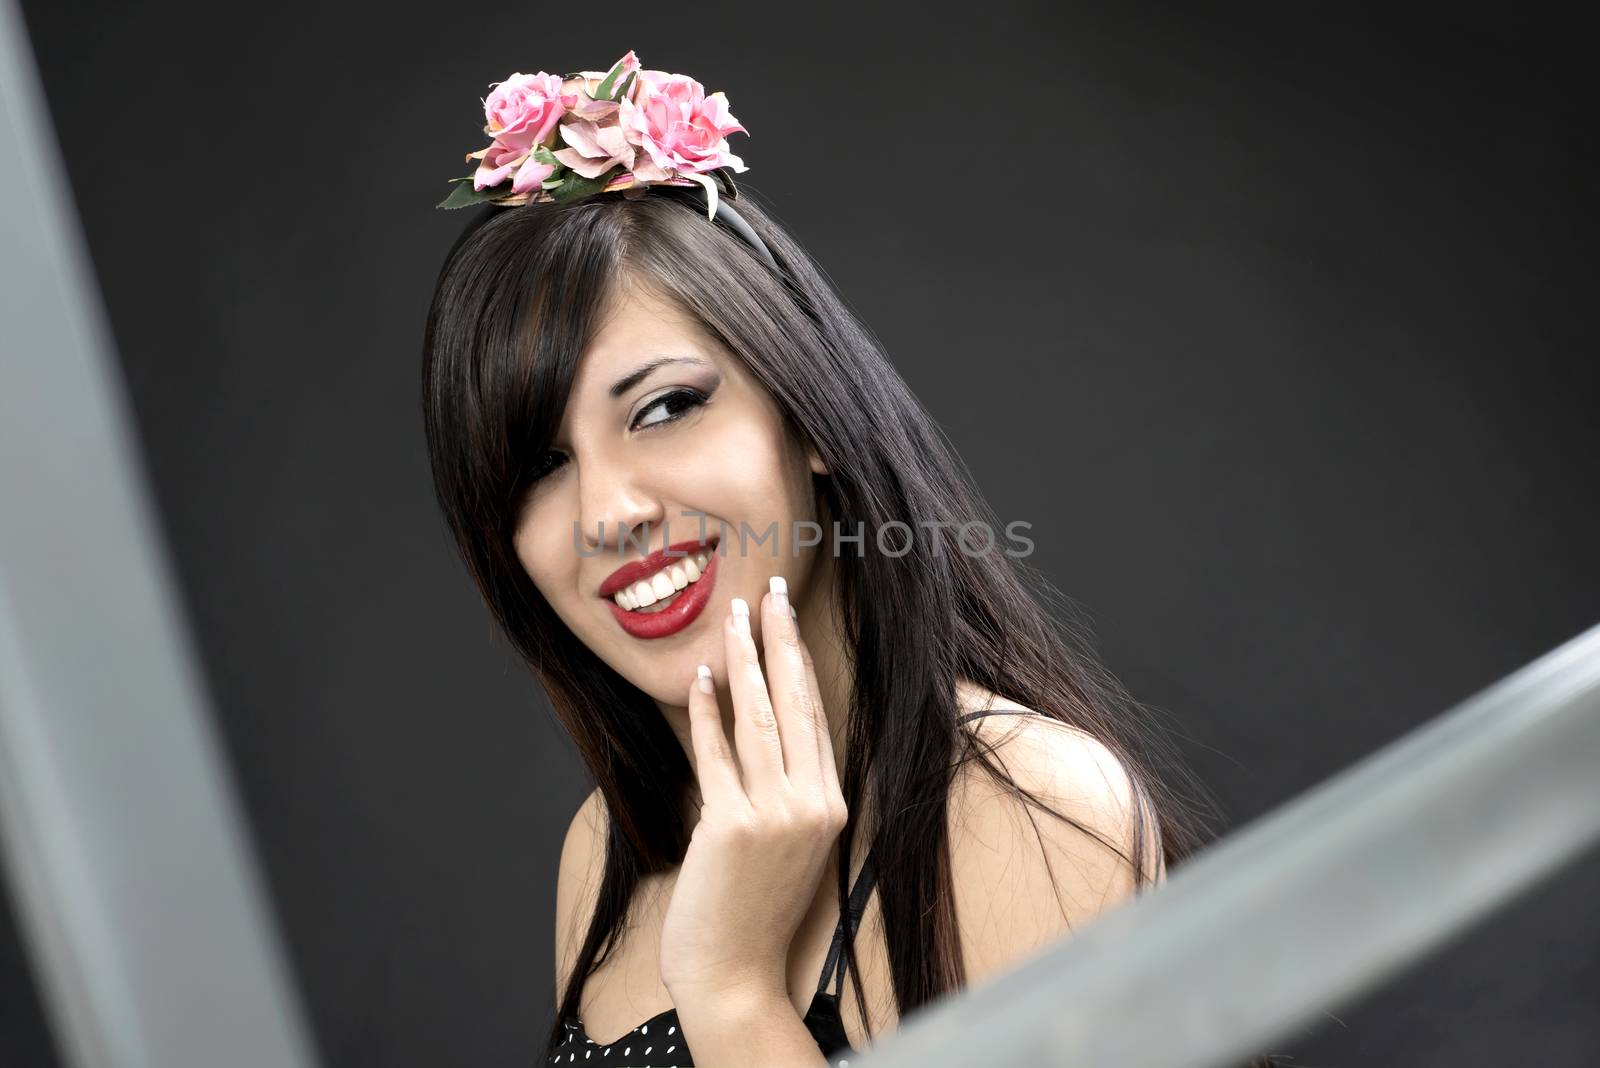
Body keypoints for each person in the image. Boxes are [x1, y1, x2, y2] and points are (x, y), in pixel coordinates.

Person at [422, 51, 1277, 1068]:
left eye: (663, 409)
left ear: (808, 415)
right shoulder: (605, 854)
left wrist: (732, 991)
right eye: (540, 465)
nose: (610, 512)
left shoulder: (1036, 818)